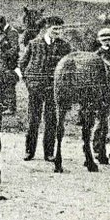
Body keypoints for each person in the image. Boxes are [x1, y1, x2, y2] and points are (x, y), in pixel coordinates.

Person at [19, 16, 71, 161]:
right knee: (33, 120)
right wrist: (29, 82)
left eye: (60, 29)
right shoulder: (34, 44)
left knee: (51, 121)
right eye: (55, 29)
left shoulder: (65, 46)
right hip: (35, 88)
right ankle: (29, 151)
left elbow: (69, 67)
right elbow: (23, 64)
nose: (58, 32)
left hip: (54, 89)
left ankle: (49, 153)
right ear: (47, 28)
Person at [0, 15, 20, 112]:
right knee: (2, 83)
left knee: (9, 84)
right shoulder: (1, 33)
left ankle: (11, 107)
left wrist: (2, 54)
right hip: (0, 63)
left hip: (8, 63)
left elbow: (14, 49)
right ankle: (5, 105)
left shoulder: (12, 32)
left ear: (2, 23)